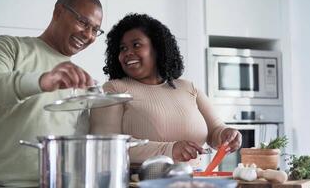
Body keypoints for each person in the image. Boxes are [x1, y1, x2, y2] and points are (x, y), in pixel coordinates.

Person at [0, 0, 103, 187]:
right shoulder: (10, 47)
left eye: (95, 30)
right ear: (58, 12)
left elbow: (79, 147)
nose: (88, 35)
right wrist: (42, 81)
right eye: (83, 22)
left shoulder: (80, 79)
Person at [89, 13, 242, 165]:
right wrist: (169, 150)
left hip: (194, 181)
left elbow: (216, 131)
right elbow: (106, 146)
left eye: (136, 45)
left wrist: (227, 135)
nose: (127, 53)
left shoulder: (188, 88)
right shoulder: (113, 90)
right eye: (122, 48)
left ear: (157, 48)